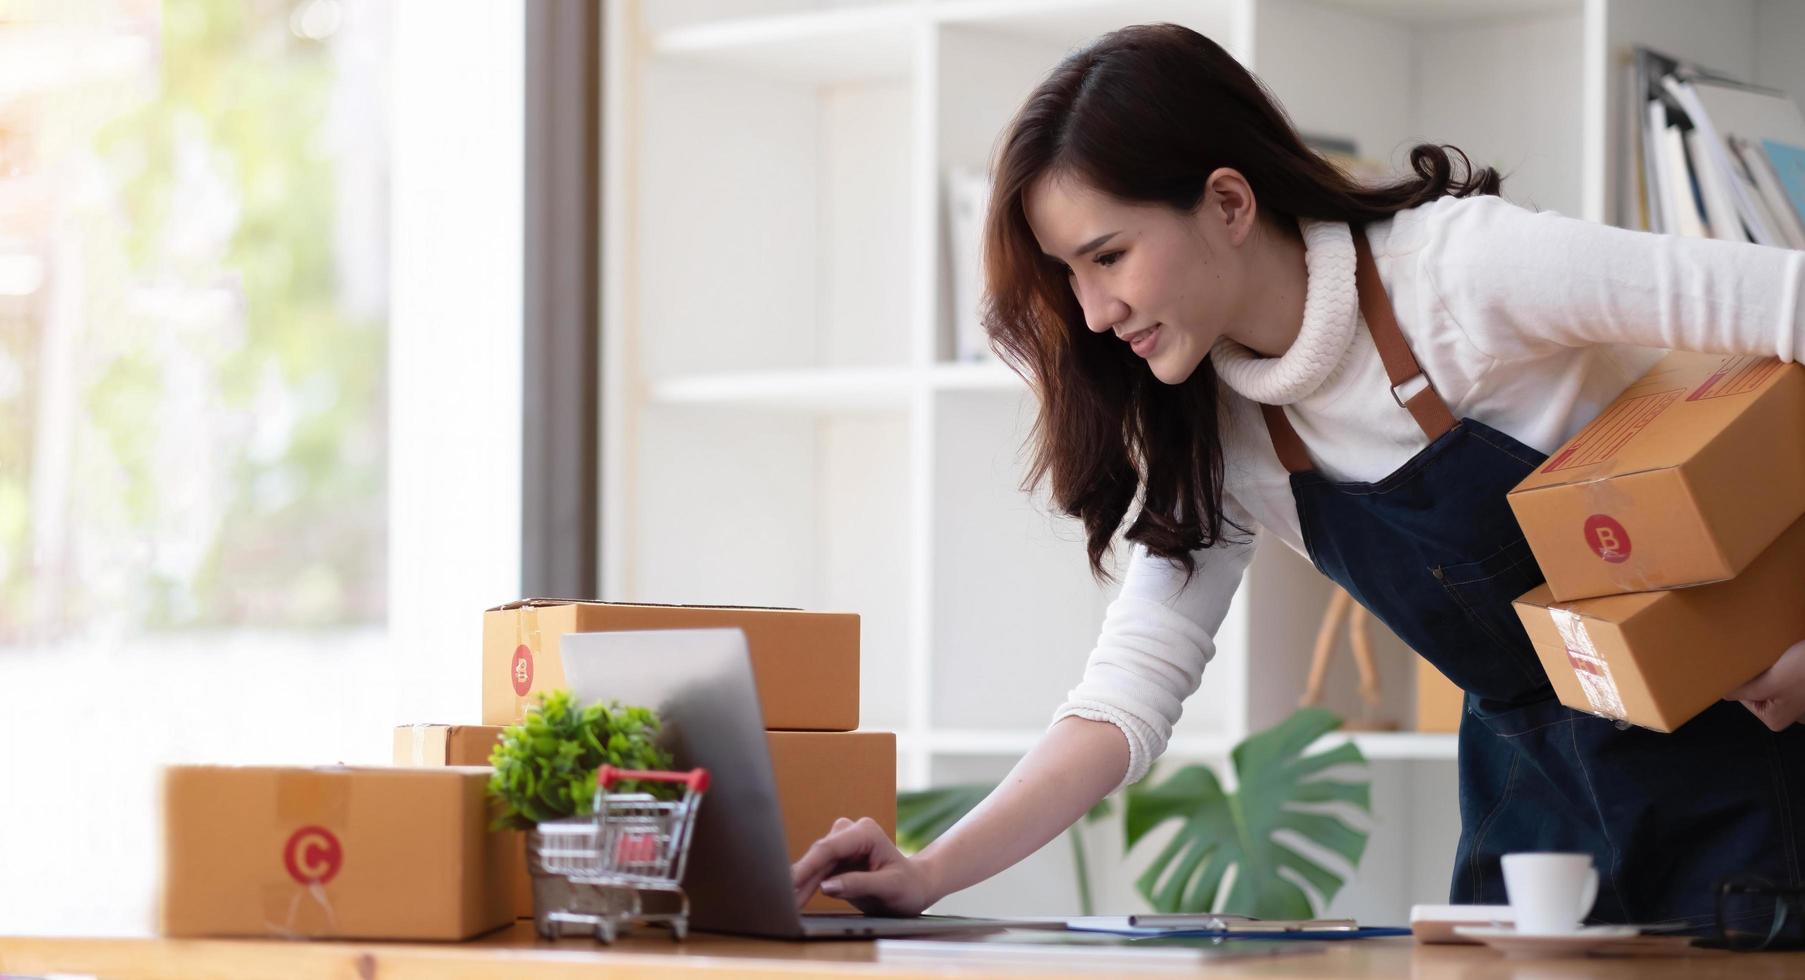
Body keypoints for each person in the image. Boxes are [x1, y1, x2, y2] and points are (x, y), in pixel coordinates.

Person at [790, 22, 1805, 933]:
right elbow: (1122, 699)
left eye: (1107, 255)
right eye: (1067, 275)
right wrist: (926, 871)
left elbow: (1784, 306)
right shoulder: (1221, 433)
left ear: (1227, 201)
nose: (1091, 310)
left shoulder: (1460, 271)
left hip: (1747, 790)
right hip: (1531, 826)